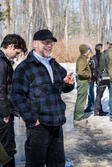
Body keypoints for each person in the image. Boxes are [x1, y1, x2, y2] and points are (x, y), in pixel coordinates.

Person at [11, 29, 75, 167]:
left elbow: (64, 87)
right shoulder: (25, 67)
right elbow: (16, 96)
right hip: (39, 127)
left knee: (57, 164)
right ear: (35, 43)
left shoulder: (54, 65)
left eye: (51, 43)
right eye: (45, 42)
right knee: (35, 164)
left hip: (57, 124)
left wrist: (68, 83)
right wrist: (31, 119)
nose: (49, 46)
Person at [0, 34, 27, 167]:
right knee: (7, 148)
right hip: (3, 114)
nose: (16, 56)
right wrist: (5, 113)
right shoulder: (1, 62)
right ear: (10, 46)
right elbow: (1, 89)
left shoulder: (3, 61)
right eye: (16, 53)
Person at [74, 44, 92, 121]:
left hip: (83, 81)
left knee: (81, 99)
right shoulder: (82, 59)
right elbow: (80, 72)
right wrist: (88, 75)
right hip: (82, 81)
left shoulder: (83, 58)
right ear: (85, 51)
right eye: (88, 50)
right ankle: (78, 117)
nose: (89, 51)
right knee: (81, 99)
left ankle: (78, 115)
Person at [93, 43, 108, 116]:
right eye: (102, 48)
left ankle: (99, 109)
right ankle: (96, 110)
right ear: (100, 49)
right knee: (99, 94)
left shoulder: (94, 57)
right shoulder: (102, 57)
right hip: (102, 77)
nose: (103, 49)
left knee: (99, 94)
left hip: (97, 77)